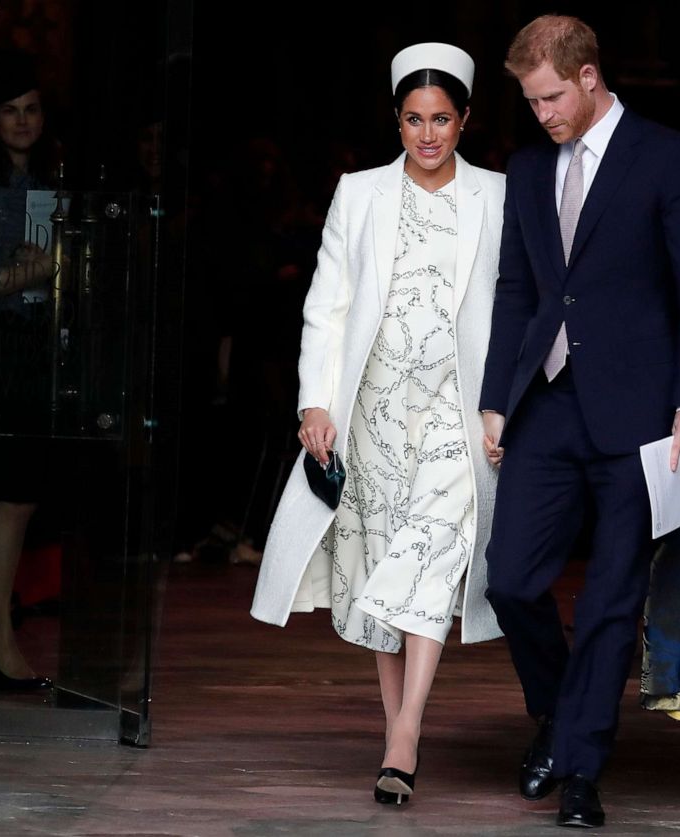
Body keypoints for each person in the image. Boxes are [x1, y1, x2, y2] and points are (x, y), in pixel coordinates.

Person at [478, 15, 680, 828]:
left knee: (614, 598)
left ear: (588, 77)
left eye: (550, 96)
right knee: (510, 576)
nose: (541, 113)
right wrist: (494, 398)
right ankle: (559, 713)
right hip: (546, 406)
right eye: (530, 99)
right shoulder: (525, 169)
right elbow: (520, 290)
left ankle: (581, 768)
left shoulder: (668, 156)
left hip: (643, 412)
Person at [250, 42, 504, 805]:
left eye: (442, 120)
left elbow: (516, 304)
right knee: (379, 568)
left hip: (458, 412)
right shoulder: (359, 192)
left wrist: (504, 404)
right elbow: (326, 302)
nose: (427, 136)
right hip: (371, 411)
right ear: (397, 120)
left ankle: (407, 730)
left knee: (432, 551)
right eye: (413, 120)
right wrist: (315, 403)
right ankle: (399, 733)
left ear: (465, 120)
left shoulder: (497, 194)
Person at [0, 53, 57, 690]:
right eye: (10, 111)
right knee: (3, 492)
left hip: (38, 346)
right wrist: (37, 269)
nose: (22, 121)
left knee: (21, 493)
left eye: (31, 109)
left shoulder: (56, 176)